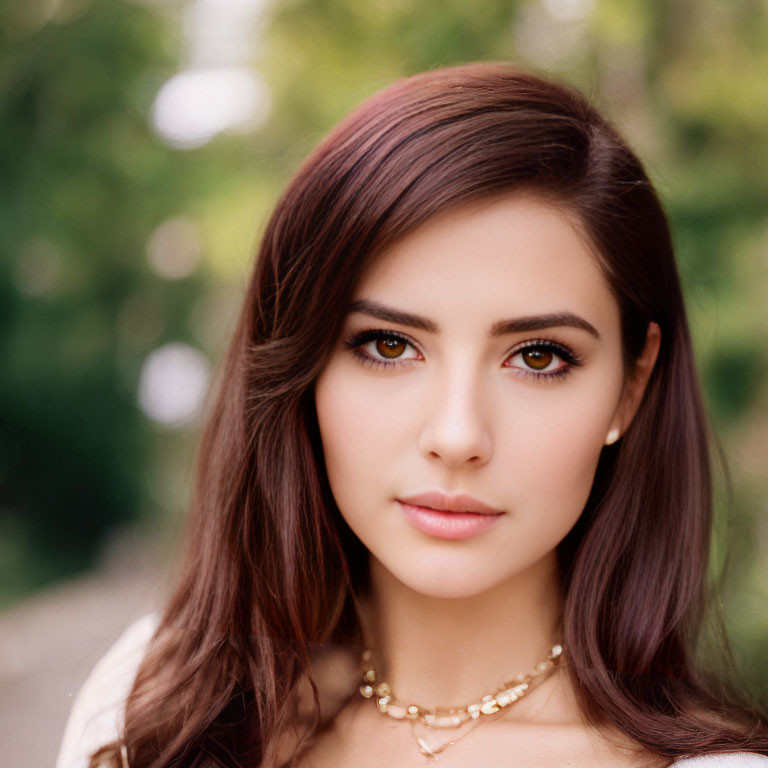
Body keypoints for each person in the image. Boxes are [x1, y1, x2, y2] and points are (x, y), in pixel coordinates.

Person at [56, 63, 768, 768]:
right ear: (302, 368)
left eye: (539, 357)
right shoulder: (152, 711)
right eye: (389, 346)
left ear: (631, 386)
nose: (457, 436)